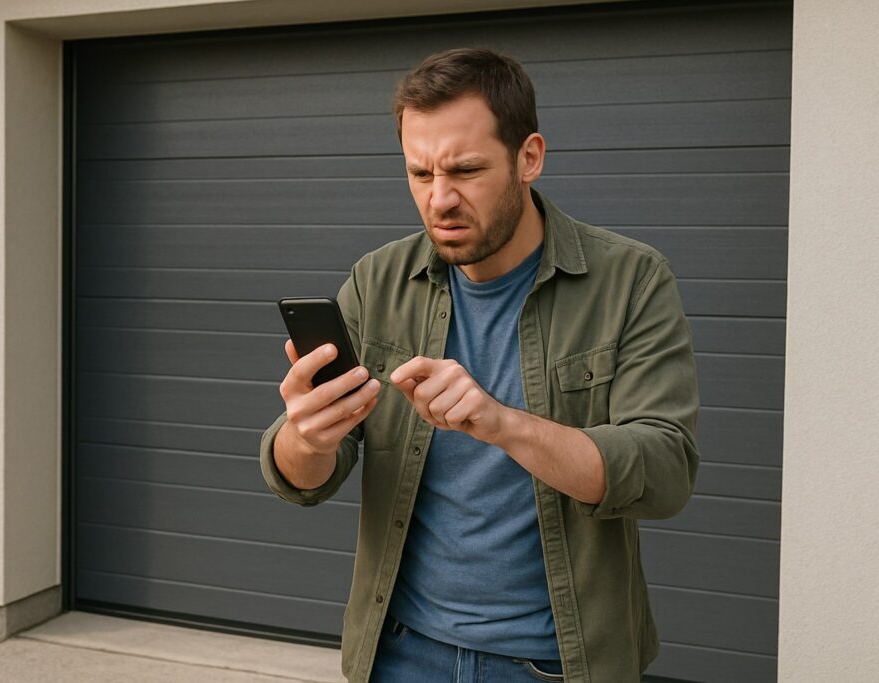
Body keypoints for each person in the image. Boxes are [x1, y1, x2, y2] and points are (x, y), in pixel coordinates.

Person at [260, 48, 699, 683]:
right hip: (400, 653)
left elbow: (664, 470)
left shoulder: (630, 280)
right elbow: (303, 476)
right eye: (419, 173)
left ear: (529, 157)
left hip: (555, 662)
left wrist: (502, 423)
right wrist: (305, 437)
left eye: (466, 170)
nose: (440, 199)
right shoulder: (378, 280)